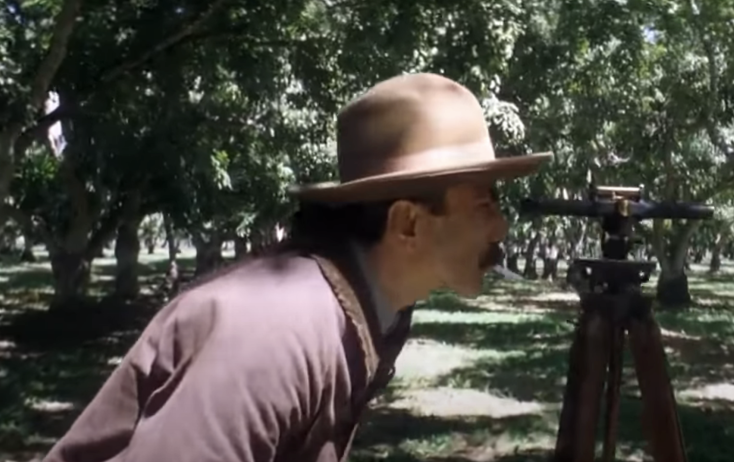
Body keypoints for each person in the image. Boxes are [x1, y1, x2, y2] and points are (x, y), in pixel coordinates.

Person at [42, 73, 551, 462]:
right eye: (484, 204)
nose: (502, 227)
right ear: (409, 224)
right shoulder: (273, 333)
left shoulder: (374, 309)